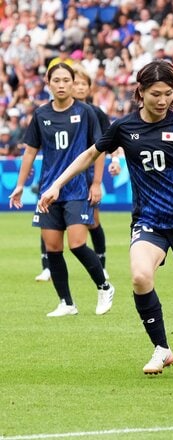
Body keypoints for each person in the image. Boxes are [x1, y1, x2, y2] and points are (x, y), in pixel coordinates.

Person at [37, 60, 173, 375]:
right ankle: (161, 349)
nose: (162, 100)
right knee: (141, 276)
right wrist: (56, 185)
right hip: (149, 222)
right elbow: (90, 155)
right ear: (141, 92)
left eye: (168, 94)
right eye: (156, 93)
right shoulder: (124, 127)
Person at [8, 63, 115, 317]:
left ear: (72, 82)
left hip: (77, 189)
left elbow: (97, 149)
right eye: (56, 80)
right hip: (48, 191)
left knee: (77, 244)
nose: (62, 84)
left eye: (66, 80)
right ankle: (66, 303)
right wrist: (20, 185)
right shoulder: (41, 115)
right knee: (53, 248)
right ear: (48, 83)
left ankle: (104, 286)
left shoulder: (86, 112)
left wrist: (97, 183)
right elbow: (30, 152)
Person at [35, 64, 114, 283]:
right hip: (55, 179)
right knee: (50, 221)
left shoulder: (93, 113)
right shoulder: (46, 112)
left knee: (92, 223)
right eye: (75, 82)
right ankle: (47, 266)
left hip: (85, 177)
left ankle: (102, 266)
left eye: (81, 83)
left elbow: (107, 143)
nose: (77, 87)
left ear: (89, 88)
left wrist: (110, 165)